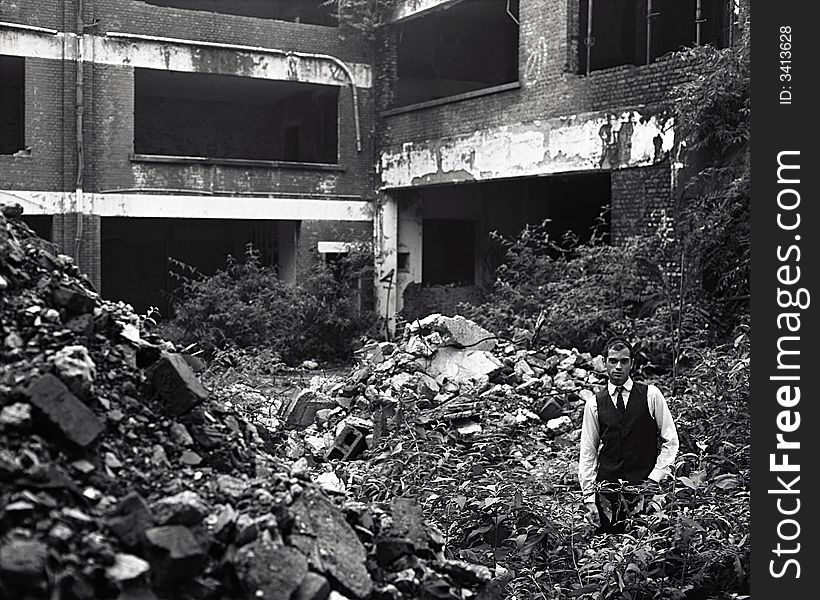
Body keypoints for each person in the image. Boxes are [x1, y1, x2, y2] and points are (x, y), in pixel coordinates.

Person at [578, 337, 679, 533]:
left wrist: (654, 478)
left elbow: (671, 441)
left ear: (632, 363)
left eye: (624, 361)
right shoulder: (594, 404)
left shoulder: (651, 395)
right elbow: (588, 452)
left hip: (644, 490)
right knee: (609, 551)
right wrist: (590, 498)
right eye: (613, 361)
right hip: (608, 495)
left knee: (647, 550)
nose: (618, 367)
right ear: (604, 362)